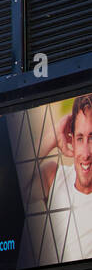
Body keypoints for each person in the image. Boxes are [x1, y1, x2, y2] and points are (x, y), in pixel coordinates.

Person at [39, 94, 92, 258]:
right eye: (80, 138)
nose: (85, 153)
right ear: (72, 141)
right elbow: (13, 177)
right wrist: (52, 136)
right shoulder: (54, 176)